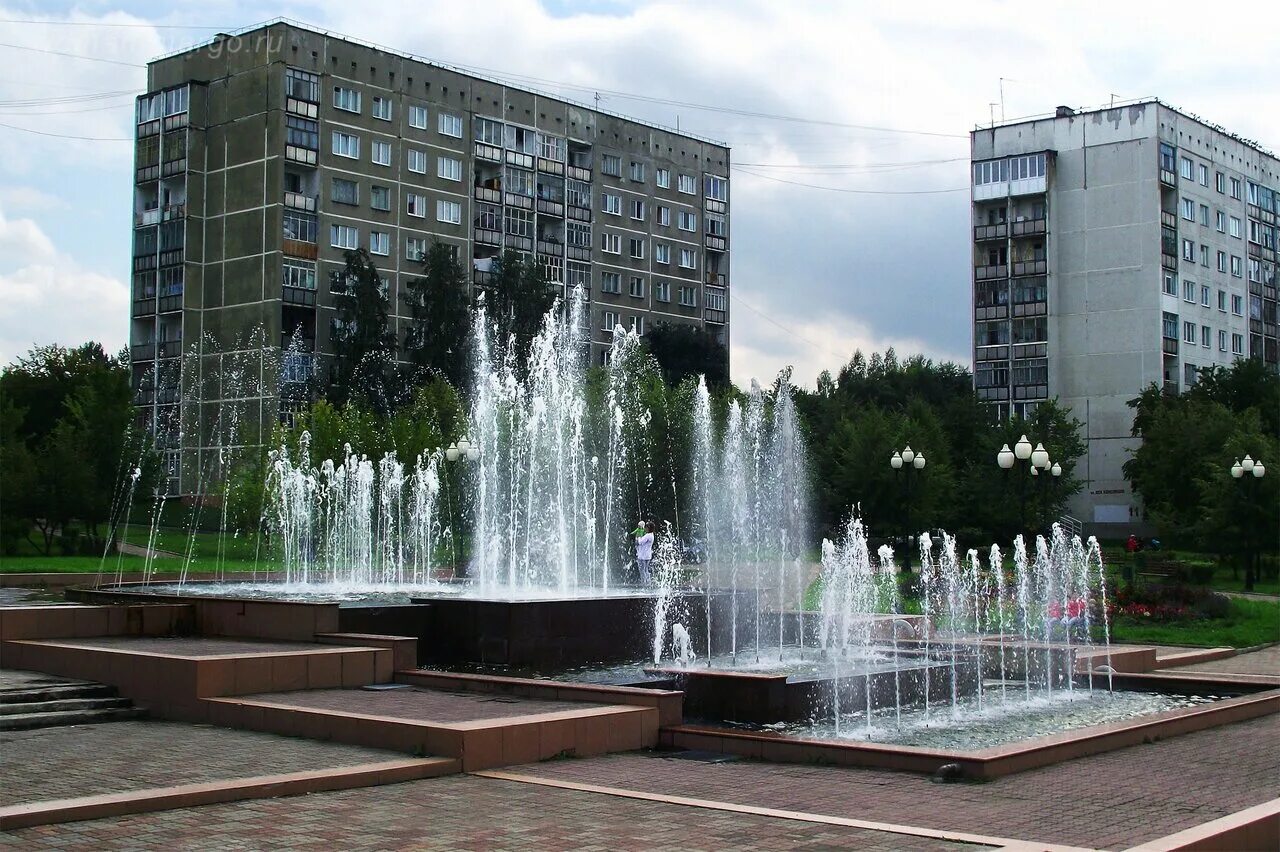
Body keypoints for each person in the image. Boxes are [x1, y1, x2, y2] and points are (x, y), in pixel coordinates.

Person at [633, 520, 655, 585]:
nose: (645, 528)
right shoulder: (651, 535)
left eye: (646, 527)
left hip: (643, 556)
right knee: (645, 570)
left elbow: (640, 542)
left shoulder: (648, 535)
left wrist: (638, 536)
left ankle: (645, 583)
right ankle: (648, 582)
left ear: (648, 528)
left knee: (642, 571)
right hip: (647, 555)